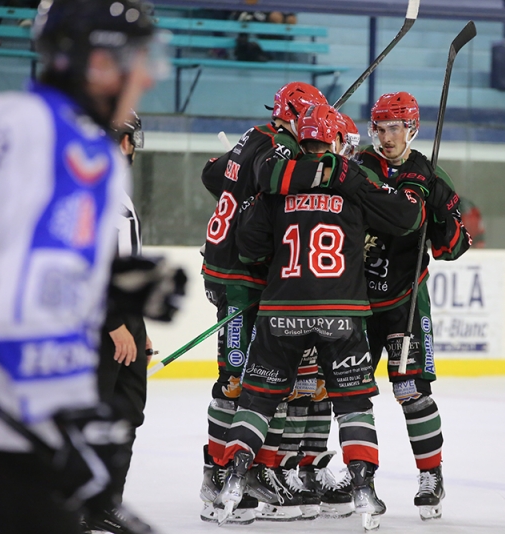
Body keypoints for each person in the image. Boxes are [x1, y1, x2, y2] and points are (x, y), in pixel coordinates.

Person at [0, 1, 177, 533]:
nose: (148, 76)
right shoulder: (79, 152)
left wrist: (101, 290)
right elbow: (23, 316)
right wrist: (72, 432)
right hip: (1, 431)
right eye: (138, 58)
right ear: (98, 62)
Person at [213, 103, 431, 528]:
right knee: (352, 405)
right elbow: (405, 218)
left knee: (258, 400)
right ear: (334, 142)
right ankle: (363, 488)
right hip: (341, 314)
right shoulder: (353, 182)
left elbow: (250, 246)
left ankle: (235, 477)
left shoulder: (279, 184)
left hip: (281, 312)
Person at [198, 81, 329, 524]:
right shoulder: (278, 146)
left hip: (228, 269)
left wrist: (238, 185)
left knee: (256, 378)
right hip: (240, 276)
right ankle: (219, 476)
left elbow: (211, 175)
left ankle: (245, 473)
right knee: (237, 382)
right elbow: (272, 179)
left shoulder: (254, 137)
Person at [357, 91, 471, 521]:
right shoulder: (360, 166)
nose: (387, 137)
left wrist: (441, 208)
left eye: (395, 128)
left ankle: (430, 475)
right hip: (357, 300)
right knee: (348, 390)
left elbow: (452, 247)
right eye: (380, 128)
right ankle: (355, 474)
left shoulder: (430, 173)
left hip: (404, 300)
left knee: (412, 391)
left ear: (412, 129)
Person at [84, 110, 154, 533]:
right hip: (100, 326)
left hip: (124, 323)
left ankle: (105, 504)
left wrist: (137, 325)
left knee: (126, 414)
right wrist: (114, 323)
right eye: (131, 137)